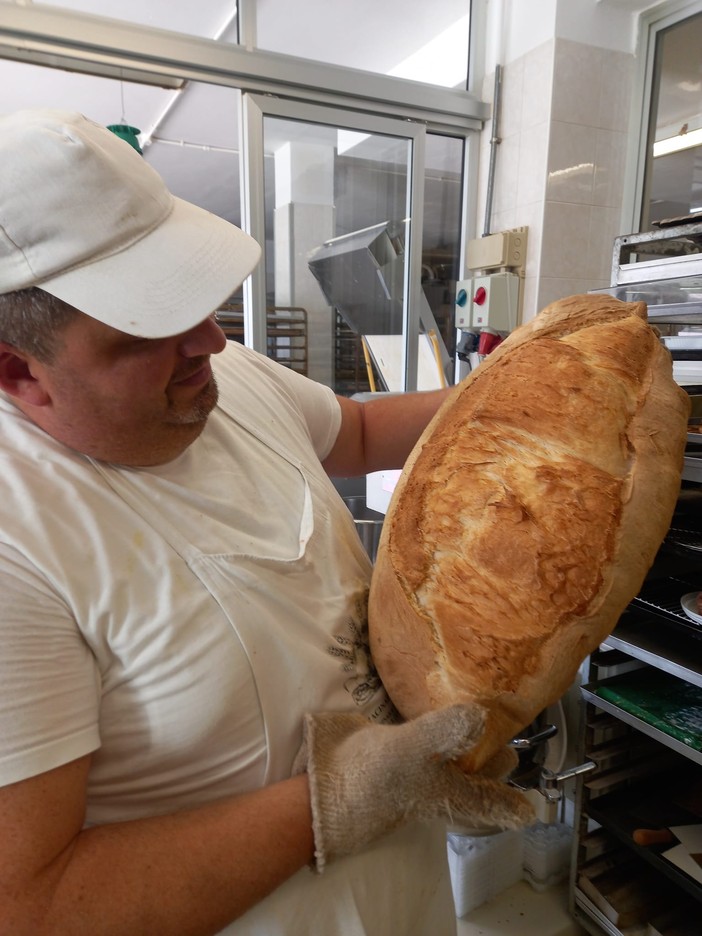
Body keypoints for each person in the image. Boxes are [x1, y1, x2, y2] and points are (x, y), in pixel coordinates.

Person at [0, 109, 532, 936]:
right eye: (151, 325)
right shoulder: (18, 538)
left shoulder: (217, 369)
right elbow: (32, 905)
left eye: (201, 305)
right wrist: (343, 798)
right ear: (17, 372)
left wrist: (528, 388)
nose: (212, 339)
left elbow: (352, 434)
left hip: (407, 906)